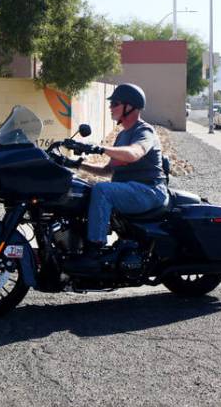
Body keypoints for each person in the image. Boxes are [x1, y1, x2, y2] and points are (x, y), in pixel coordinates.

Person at [69, 83, 169, 270]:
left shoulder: (144, 131)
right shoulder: (122, 135)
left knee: (103, 191)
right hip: (134, 190)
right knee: (83, 190)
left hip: (150, 190)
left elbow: (134, 153)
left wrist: (101, 148)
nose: (110, 107)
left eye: (115, 103)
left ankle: (94, 251)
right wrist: (76, 165)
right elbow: (108, 170)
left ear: (130, 106)